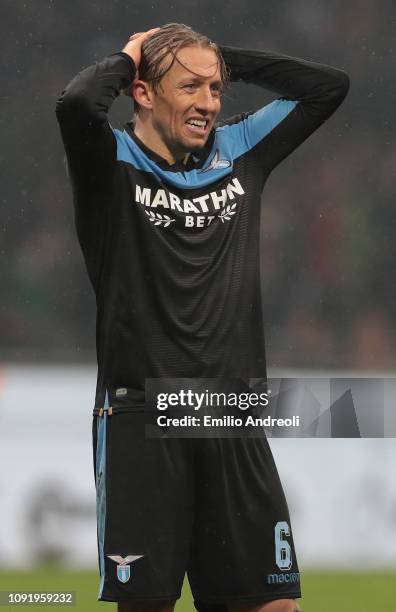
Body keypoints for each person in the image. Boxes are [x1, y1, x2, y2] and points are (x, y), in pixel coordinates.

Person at [56, 23, 349, 612]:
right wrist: (134, 54)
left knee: (273, 605)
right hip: (142, 412)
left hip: (232, 415)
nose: (209, 103)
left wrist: (216, 58)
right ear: (143, 92)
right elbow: (77, 102)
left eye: (216, 89)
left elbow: (327, 88)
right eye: (190, 87)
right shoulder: (109, 159)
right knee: (149, 605)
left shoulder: (242, 152)